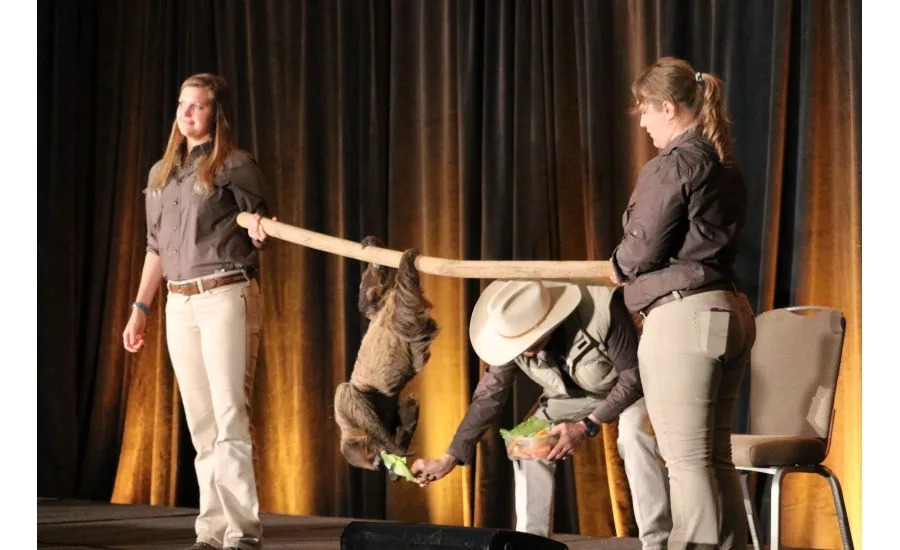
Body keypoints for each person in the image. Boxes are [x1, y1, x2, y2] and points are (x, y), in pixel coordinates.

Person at [609, 57, 756, 550]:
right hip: (728, 311)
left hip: (685, 319)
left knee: (687, 460)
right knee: (713, 458)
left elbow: (641, 248)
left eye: (645, 113)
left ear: (667, 108)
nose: (644, 124)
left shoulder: (674, 163)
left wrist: (620, 263)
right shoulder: (722, 159)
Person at [122, 73, 274, 550]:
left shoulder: (235, 165)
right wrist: (140, 308)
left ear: (216, 113)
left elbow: (260, 222)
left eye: (198, 106)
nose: (187, 114)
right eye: (182, 105)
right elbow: (155, 249)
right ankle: (209, 532)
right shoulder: (159, 175)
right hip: (179, 303)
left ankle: (242, 534)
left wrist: (257, 226)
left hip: (226, 295)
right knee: (201, 422)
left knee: (230, 415)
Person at [411, 279, 672, 549]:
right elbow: (489, 396)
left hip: (631, 389)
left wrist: (586, 426)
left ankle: (657, 542)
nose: (524, 349)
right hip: (573, 397)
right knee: (526, 441)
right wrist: (449, 457)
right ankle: (532, 542)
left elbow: (633, 378)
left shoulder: (602, 310)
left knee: (634, 435)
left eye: (530, 339)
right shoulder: (510, 337)